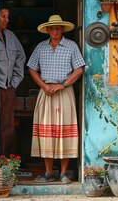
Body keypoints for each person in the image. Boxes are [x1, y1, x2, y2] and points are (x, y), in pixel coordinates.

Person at [27, 15, 85, 184]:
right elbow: (31, 68)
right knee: (47, 131)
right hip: (46, 92)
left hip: (64, 92)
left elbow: (79, 69)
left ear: (62, 30)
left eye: (58, 28)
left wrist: (64, 85)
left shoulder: (71, 46)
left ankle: (64, 173)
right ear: (47, 30)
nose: (54, 31)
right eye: (51, 28)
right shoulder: (41, 47)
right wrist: (44, 87)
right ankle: (48, 173)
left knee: (64, 130)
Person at [0, 7, 26, 157]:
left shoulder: (11, 36)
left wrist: (14, 82)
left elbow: (21, 58)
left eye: (8, 16)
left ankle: (3, 159)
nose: (7, 20)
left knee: (7, 127)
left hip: (8, 88)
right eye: (3, 16)